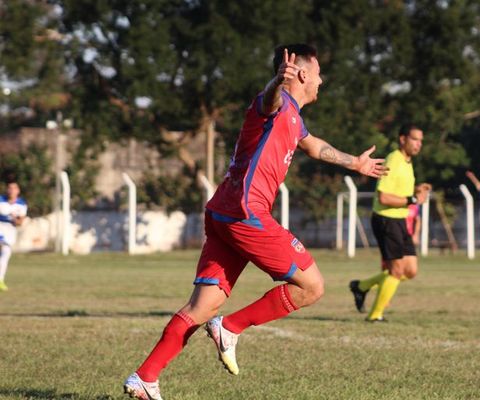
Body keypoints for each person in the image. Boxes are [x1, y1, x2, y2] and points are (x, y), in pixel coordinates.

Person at [123, 44, 388, 400]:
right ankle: (231, 328)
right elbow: (268, 99)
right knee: (312, 287)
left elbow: (312, 146)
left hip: (223, 213)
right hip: (246, 214)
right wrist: (278, 81)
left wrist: (353, 163)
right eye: (320, 73)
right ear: (303, 74)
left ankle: (145, 377)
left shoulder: (294, 116)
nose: (322, 81)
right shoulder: (273, 105)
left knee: (202, 306)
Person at [349, 124, 431, 322]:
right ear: (403, 139)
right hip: (386, 220)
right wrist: (412, 200)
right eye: (414, 139)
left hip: (400, 220)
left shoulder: (407, 162)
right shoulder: (394, 160)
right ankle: (375, 315)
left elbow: (400, 192)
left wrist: (417, 190)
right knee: (396, 271)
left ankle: (361, 286)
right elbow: (384, 197)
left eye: (421, 140)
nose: (418, 144)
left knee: (410, 270)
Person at [0, 180, 27, 292]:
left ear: (18, 191)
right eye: (9, 188)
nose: (11, 191)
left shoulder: (21, 204)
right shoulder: (1, 201)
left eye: (14, 188)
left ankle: (0, 280)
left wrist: (15, 219)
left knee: (5, 254)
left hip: (10, 232)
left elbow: (20, 222)